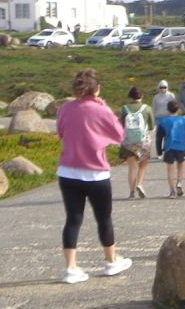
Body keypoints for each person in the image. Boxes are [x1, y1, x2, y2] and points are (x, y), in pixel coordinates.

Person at [54, 68, 133, 283]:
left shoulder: (65, 108)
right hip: (96, 173)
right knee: (103, 218)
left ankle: (70, 269)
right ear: (97, 89)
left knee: (73, 219)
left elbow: (60, 133)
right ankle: (110, 262)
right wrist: (103, 106)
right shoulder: (101, 110)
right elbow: (119, 135)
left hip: (68, 172)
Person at [118, 86, 155, 199]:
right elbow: (152, 125)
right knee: (143, 164)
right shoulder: (147, 108)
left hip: (129, 142)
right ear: (141, 96)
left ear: (130, 96)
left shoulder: (124, 109)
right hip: (143, 141)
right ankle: (139, 184)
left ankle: (132, 192)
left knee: (132, 167)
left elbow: (121, 125)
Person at [155, 97, 185, 197]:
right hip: (181, 146)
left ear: (167, 109)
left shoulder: (163, 121)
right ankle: (179, 182)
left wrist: (158, 150)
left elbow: (159, 137)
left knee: (170, 169)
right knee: (180, 165)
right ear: (178, 109)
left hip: (169, 147)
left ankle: (172, 191)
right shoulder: (183, 120)